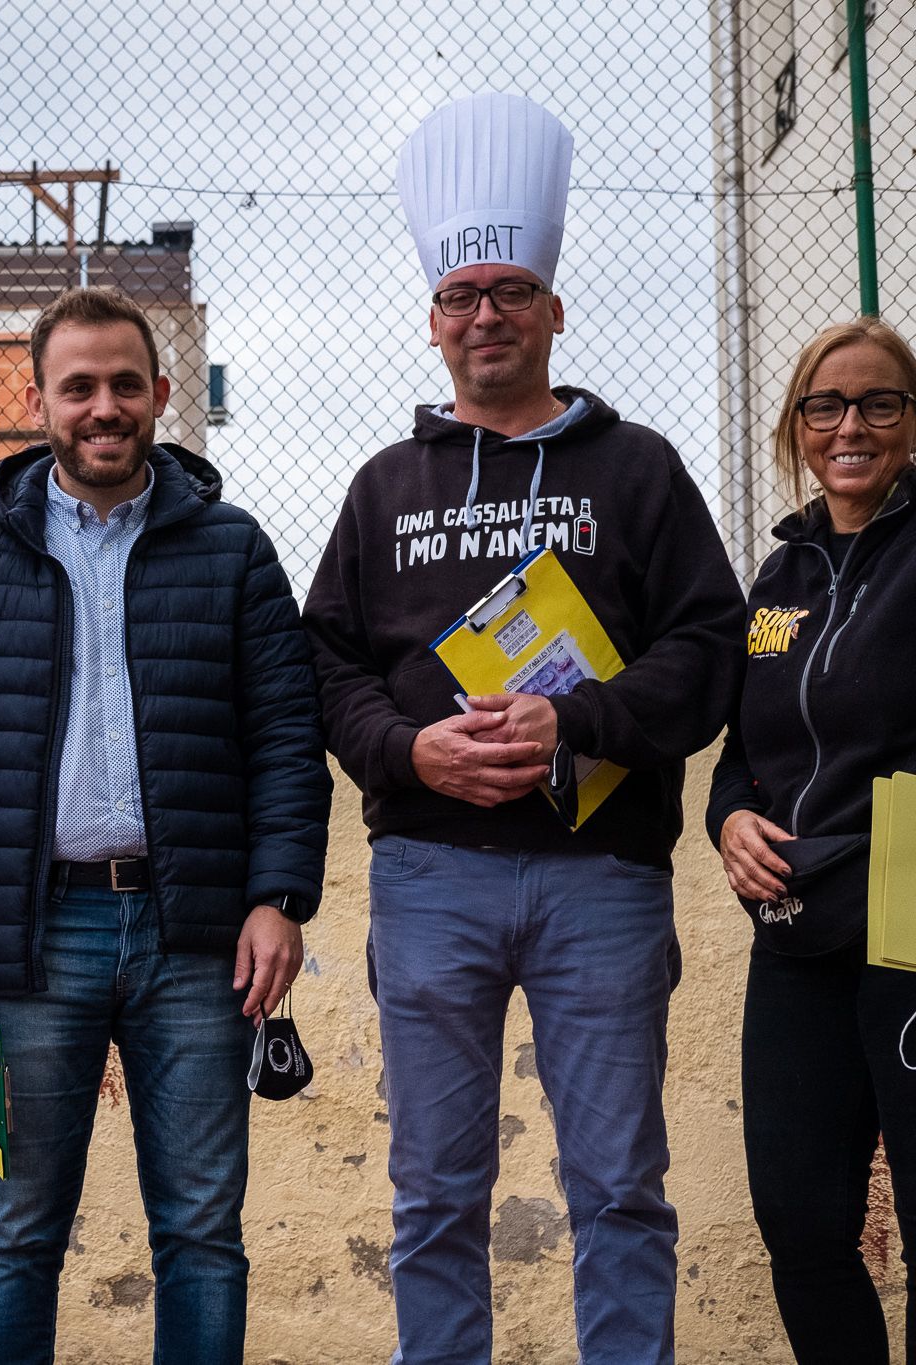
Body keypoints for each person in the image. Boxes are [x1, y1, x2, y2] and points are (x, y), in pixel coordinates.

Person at [302, 93, 746, 1362]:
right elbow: (324, 662)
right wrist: (406, 750)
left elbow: (708, 656)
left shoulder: (639, 469)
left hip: (601, 878)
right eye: (459, 296)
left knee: (616, 1189)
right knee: (435, 1194)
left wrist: (576, 722)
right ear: (432, 323)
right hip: (428, 874)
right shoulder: (386, 487)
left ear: (553, 309)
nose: (482, 314)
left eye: (508, 290)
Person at [0, 284, 330, 1364]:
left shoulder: (230, 548)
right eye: (76, 386)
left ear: (160, 396)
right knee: (15, 1234)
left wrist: (276, 899)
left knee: (200, 1235)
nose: (102, 406)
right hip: (30, 940)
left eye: (123, 385)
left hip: (197, 943)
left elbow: (284, 734)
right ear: (36, 401)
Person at [707, 318, 916, 1365]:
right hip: (790, 933)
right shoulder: (778, 576)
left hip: (907, 915)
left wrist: (876, 843)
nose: (849, 426)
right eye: (824, 406)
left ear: (909, 422)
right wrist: (729, 819)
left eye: (878, 403)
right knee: (798, 1225)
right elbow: (742, 748)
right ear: (795, 426)